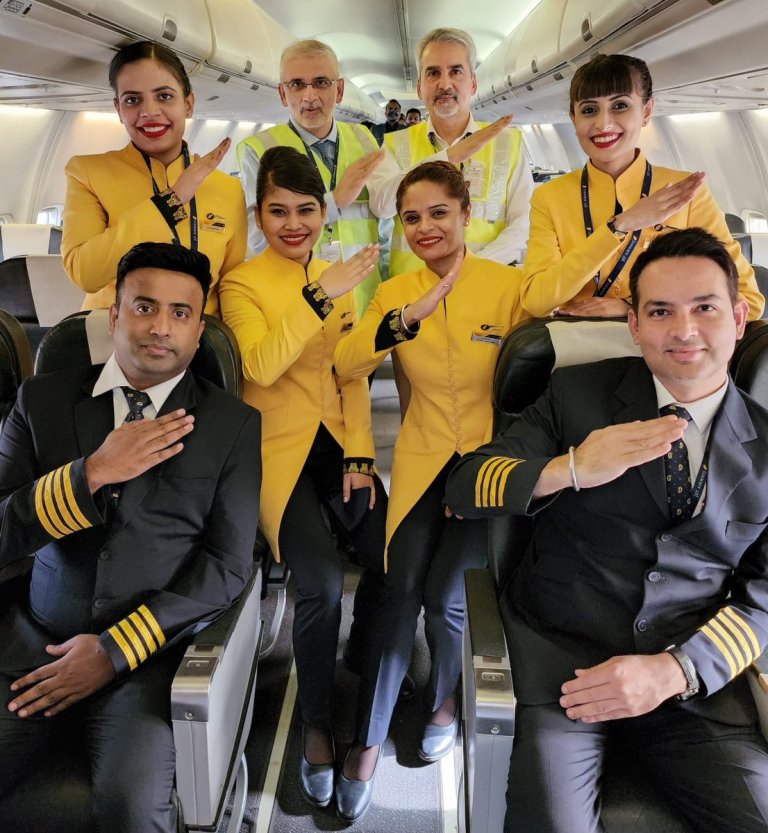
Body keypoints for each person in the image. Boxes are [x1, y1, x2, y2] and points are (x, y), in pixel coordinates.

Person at [445, 227, 768, 833]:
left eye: (705, 307)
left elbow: (764, 598)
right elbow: (466, 487)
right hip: (563, 664)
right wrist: (569, 468)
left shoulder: (766, 444)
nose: (684, 330)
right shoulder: (578, 395)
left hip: (686, 676)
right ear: (635, 326)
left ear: (739, 317)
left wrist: (677, 670)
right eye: (661, 312)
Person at [0, 242, 262, 833]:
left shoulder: (232, 425)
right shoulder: (41, 401)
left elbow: (226, 566)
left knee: (131, 808)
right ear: (115, 315)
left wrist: (113, 652)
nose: (160, 327)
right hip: (33, 645)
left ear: (197, 331)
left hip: (147, 661)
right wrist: (89, 473)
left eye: (180, 313)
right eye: (144, 307)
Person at [332, 160, 529, 822]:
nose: (424, 227)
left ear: (466, 214)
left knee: (447, 598)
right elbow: (347, 362)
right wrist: (399, 321)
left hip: (487, 465)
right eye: (411, 217)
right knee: (397, 590)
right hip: (421, 460)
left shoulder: (507, 286)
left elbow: (540, 365)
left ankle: (443, 701)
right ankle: (366, 741)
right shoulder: (395, 291)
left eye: (438, 213)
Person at [218, 146, 386, 811]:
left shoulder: (332, 272)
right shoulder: (242, 284)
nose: (294, 224)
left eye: (306, 210)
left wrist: (362, 453)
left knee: (392, 556)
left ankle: (366, 672)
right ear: (260, 215)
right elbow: (260, 364)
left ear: (322, 212)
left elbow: (352, 373)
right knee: (317, 583)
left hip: (339, 445)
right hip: (275, 455)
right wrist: (321, 295)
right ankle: (316, 724)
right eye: (279, 211)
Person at [522, 53, 764, 320]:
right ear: (573, 119)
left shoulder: (686, 193)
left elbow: (747, 301)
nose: (603, 124)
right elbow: (537, 301)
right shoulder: (549, 197)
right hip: (575, 339)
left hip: (668, 339)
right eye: (589, 110)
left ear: (646, 111)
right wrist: (619, 226)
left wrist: (633, 305)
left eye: (620, 106)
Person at [62, 41, 247, 317]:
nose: (149, 111)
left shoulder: (228, 189)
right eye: (132, 100)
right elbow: (85, 273)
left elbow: (231, 288)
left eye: (164, 96)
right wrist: (172, 201)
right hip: (112, 335)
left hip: (200, 336)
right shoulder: (88, 173)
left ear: (188, 104)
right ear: (118, 109)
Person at [367, 27, 533, 277]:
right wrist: (450, 157)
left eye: (455, 71)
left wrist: (467, 271)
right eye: (433, 73)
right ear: (420, 87)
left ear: (473, 83)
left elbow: (523, 224)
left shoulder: (508, 142)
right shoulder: (395, 144)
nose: (444, 84)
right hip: (412, 290)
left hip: (484, 284)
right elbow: (381, 206)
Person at [237, 39, 385, 316]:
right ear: (283, 94)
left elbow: (384, 222)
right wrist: (335, 201)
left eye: (321, 83)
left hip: (366, 297)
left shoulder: (364, 138)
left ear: (339, 90)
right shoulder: (258, 149)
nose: (309, 96)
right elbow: (257, 239)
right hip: (302, 303)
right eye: (297, 84)